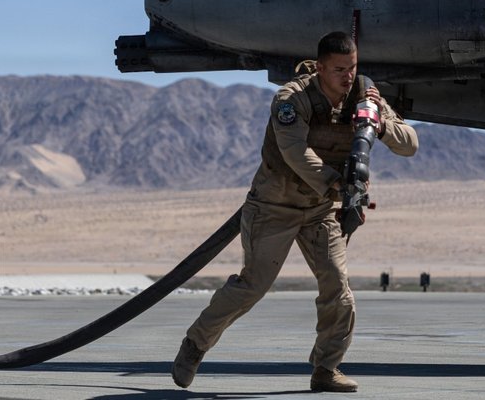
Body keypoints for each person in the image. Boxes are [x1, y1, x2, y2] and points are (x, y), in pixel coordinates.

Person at [172, 31, 418, 393]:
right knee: (252, 287)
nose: (348, 76)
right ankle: (195, 344)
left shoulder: (365, 97)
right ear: (320, 68)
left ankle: (326, 369)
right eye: (339, 70)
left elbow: (410, 144)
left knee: (338, 289)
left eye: (352, 68)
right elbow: (294, 152)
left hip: (319, 211)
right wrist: (339, 185)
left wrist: (379, 124)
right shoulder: (292, 99)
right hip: (274, 205)